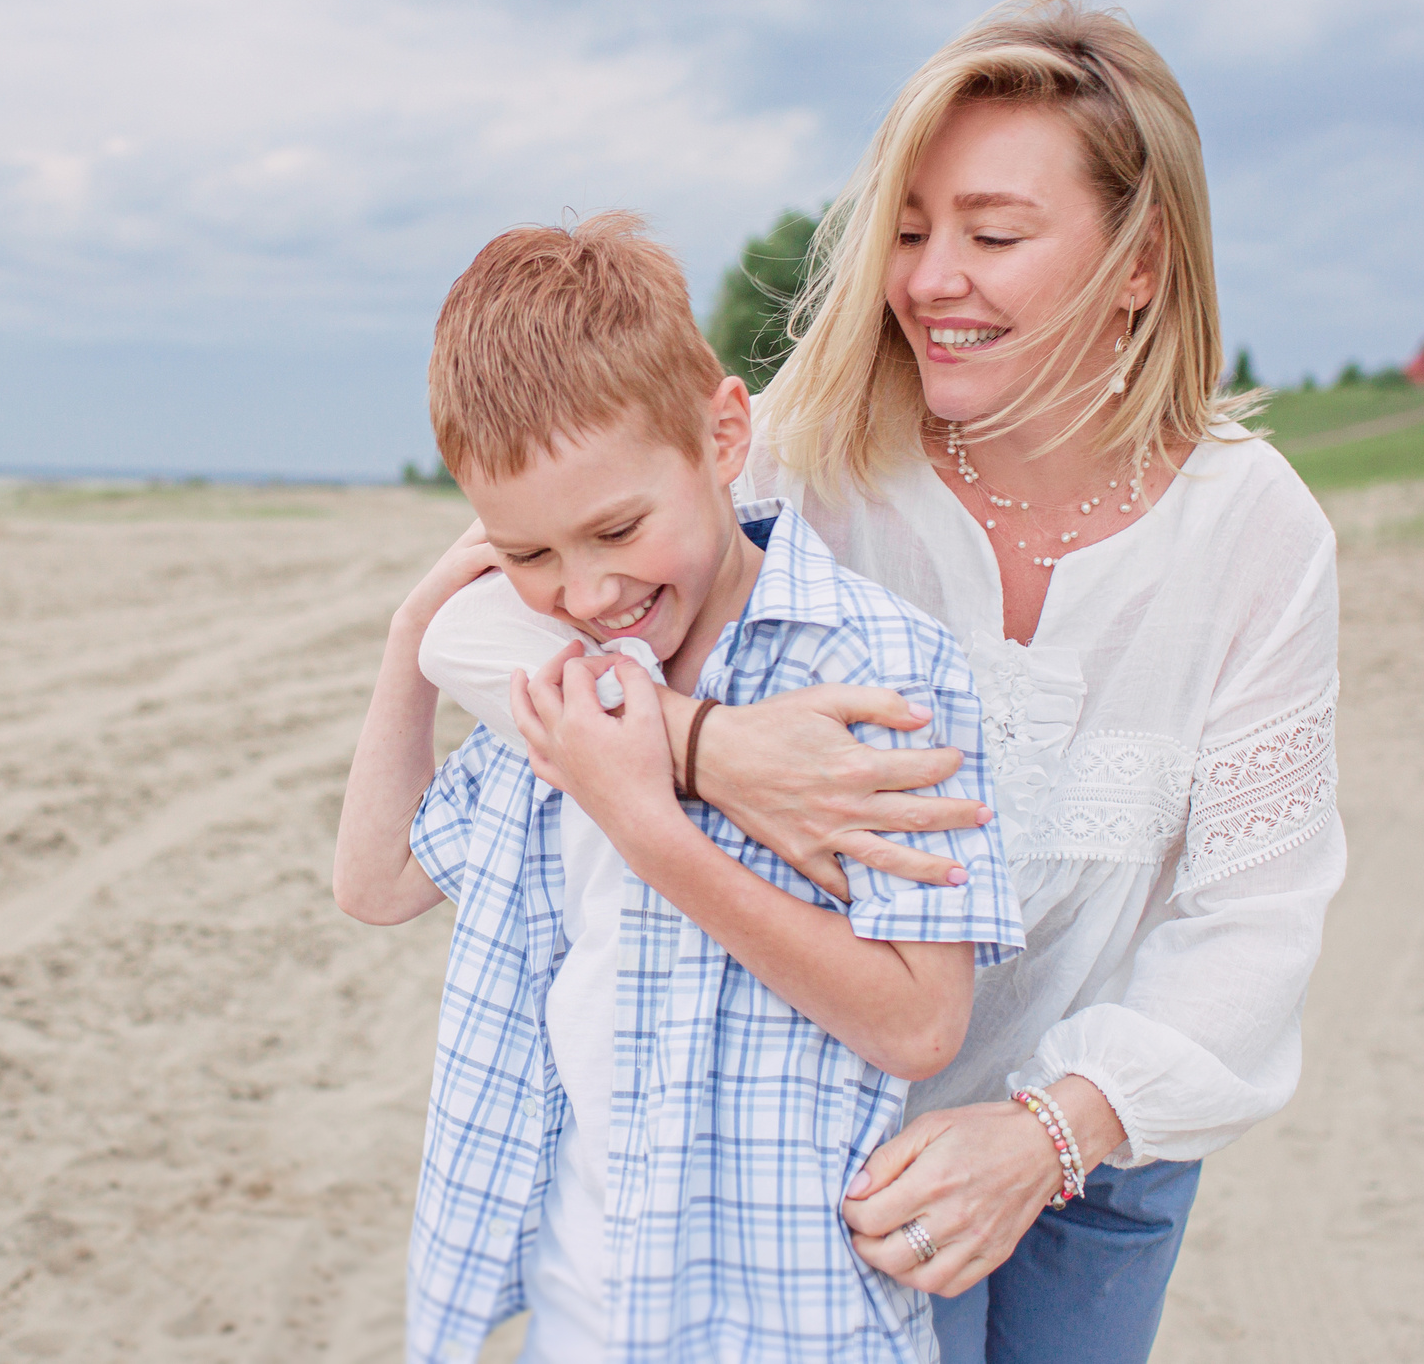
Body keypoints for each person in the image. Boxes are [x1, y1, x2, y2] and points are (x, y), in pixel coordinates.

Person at [416, 0, 1343, 1364]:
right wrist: (705, 744)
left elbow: (1254, 924)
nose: (929, 278)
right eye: (907, 230)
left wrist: (1051, 1130)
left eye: (993, 233)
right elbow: (476, 623)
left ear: (1141, 260)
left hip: (1100, 1141)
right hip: (834, 1142)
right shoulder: (816, 440)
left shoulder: (1254, 529)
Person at [332, 213, 1021, 1363]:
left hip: (783, 1315)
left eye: (616, 528)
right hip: (571, 1304)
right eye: (527, 554)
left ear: (721, 434)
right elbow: (377, 880)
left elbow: (918, 1022)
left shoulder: (873, 670)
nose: (588, 590)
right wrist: (413, 634)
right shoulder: (554, 678)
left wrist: (654, 833)